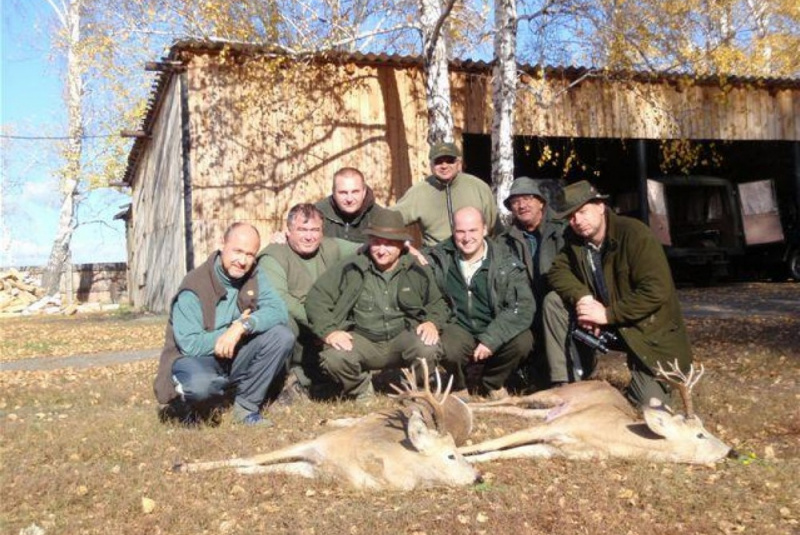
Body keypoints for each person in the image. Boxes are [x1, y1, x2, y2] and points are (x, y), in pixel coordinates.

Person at [544, 180, 693, 406]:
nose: (577, 221)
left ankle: (651, 386)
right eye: (571, 216)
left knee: (650, 406)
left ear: (601, 207)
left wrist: (607, 315)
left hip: (646, 330)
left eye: (583, 212)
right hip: (606, 322)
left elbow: (656, 290)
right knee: (553, 302)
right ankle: (566, 384)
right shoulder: (575, 240)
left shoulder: (634, 234)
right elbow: (557, 271)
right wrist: (583, 297)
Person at [153, 222, 295, 427]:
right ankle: (185, 404)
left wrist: (242, 327)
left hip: (232, 354)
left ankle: (246, 408)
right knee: (201, 385)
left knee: (281, 336)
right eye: (237, 251)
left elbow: (278, 311)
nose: (243, 261)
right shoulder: (194, 286)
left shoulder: (254, 275)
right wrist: (229, 332)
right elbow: (190, 345)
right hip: (193, 360)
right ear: (222, 245)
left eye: (250, 254)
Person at [305, 210, 450, 402]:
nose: (381, 250)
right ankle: (361, 390)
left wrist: (433, 322)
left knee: (428, 348)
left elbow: (437, 303)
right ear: (369, 240)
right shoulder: (350, 267)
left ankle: (414, 390)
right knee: (334, 358)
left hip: (403, 336)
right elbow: (316, 299)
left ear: (401, 244)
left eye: (389, 243)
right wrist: (329, 331)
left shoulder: (417, 269)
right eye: (377, 242)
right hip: (363, 338)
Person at [426, 206, 535, 399]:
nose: (466, 238)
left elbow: (523, 306)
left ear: (485, 229)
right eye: (460, 231)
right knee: (448, 345)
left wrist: (490, 339)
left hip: (493, 325)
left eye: (473, 230)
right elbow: (404, 255)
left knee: (523, 341)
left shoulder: (505, 261)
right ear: (453, 231)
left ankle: (491, 383)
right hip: (459, 327)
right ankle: (459, 385)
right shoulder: (440, 257)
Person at [257, 204, 361, 401]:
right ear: (288, 232)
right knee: (282, 323)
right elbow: (282, 300)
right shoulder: (274, 256)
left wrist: (406, 247)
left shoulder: (330, 247)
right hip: (300, 326)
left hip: (322, 326)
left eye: (315, 230)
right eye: (302, 230)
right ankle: (277, 382)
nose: (309, 236)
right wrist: (324, 328)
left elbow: (369, 248)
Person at [496, 177, 566, 387]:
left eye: (528, 198)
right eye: (516, 201)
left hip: (558, 310)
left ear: (541, 202)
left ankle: (561, 380)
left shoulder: (563, 231)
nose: (522, 205)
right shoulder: (503, 241)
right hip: (525, 312)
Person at [391, 141, 499, 246]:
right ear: (431, 165)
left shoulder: (479, 188)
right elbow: (388, 220)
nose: (444, 166)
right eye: (438, 161)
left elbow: (493, 226)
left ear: (459, 163)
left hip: (473, 254)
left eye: (450, 161)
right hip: (435, 258)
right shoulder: (419, 192)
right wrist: (406, 247)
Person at [315, 167, 389, 243]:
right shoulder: (317, 214)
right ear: (333, 193)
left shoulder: (379, 217)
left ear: (364, 192)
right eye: (343, 192)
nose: (349, 199)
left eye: (355, 192)